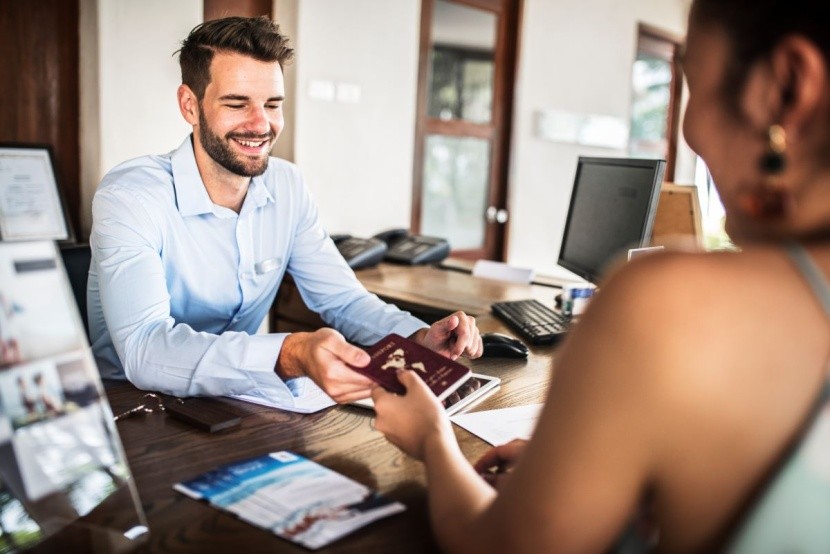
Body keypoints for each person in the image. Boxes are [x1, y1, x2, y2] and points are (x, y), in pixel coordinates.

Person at [372, 0, 830, 551]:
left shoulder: (674, 303)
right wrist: (622, 481)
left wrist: (432, 439)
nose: (688, 131)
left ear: (786, 87)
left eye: (694, 85)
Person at [88, 16, 482, 411]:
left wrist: (417, 337)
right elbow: (144, 347)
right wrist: (289, 353)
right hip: (133, 410)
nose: (261, 124)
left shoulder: (287, 186)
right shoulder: (131, 197)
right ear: (190, 106)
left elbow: (343, 300)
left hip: (236, 402)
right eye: (237, 103)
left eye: (272, 105)